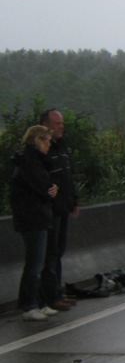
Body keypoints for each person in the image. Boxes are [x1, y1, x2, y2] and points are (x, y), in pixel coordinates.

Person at [10, 125, 59, 321]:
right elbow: (42, 187)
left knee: (40, 262)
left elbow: (46, 186)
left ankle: (39, 302)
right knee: (34, 263)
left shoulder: (36, 162)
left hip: (39, 216)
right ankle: (29, 305)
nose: (48, 145)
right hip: (32, 218)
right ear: (36, 141)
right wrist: (51, 189)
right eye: (45, 141)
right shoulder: (28, 162)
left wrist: (53, 187)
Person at [38, 108, 80, 312]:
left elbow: (68, 178)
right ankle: (50, 296)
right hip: (51, 210)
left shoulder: (61, 148)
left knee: (58, 252)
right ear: (46, 126)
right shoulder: (43, 151)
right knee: (51, 254)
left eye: (62, 123)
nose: (61, 127)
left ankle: (58, 292)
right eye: (57, 124)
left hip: (63, 207)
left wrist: (74, 200)